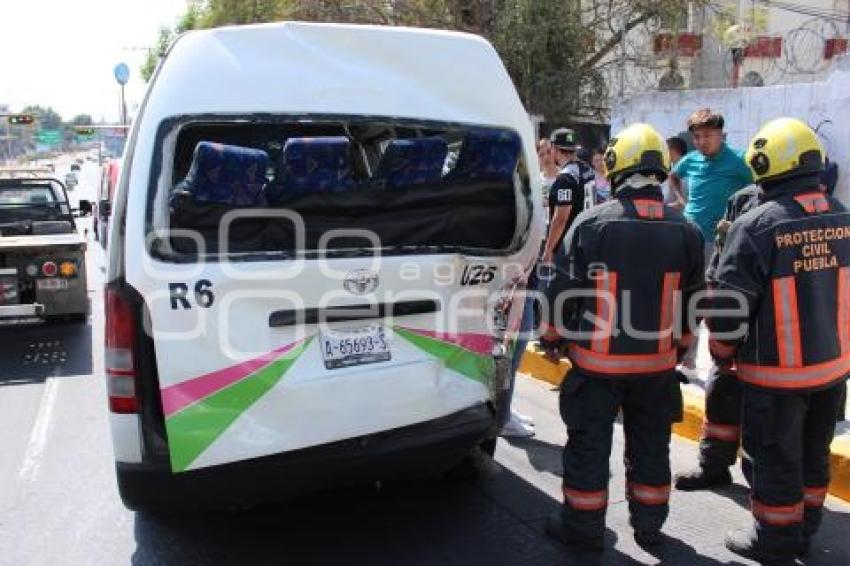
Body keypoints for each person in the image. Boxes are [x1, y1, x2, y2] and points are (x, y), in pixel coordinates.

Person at [541, 123, 704, 550]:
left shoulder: (592, 224)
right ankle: (650, 526)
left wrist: (552, 337)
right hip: (656, 368)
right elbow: (693, 301)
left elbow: (562, 292)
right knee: (652, 446)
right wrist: (683, 345)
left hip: (597, 367)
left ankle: (582, 529)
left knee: (589, 446)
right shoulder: (687, 230)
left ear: (616, 168)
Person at [707, 118, 850, 563]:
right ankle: (805, 526)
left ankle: (774, 540)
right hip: (833, 370)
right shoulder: (844, 217)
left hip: (777, 375)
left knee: (775, 458)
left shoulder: (756, 225)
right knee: (813, 452)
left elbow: (728, 308)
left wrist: (722, 353)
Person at [674, 182, 763, 492]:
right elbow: (722, 259)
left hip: (774, 329)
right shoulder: (742, 200)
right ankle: (714, 467)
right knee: (722, 391)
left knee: (768, 416)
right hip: (739, 318)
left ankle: (767, 489)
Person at [670, 109, 753, 373]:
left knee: (710, 301)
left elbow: (758, 188)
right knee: (684, 298)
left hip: (717, 244)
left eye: (707, 135)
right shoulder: (691, 160)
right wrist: (682, 201)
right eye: (697, 137)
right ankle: (686, 356)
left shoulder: (740, 161)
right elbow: (673, 175)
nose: (701, 142)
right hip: (687, 237)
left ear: (720, 134)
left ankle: (719, 358)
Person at [542, 128, 595, 265]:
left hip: (569, 246)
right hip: (588, 241)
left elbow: (561, 219)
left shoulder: (566, 177)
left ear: (554, 148)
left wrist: (548, 251)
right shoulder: (587, 170)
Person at [662, 137, 688, 210]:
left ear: (672, 151)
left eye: (664, 150)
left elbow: (682, 203)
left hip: (678, 219)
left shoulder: (676, 174)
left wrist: (661, 208)